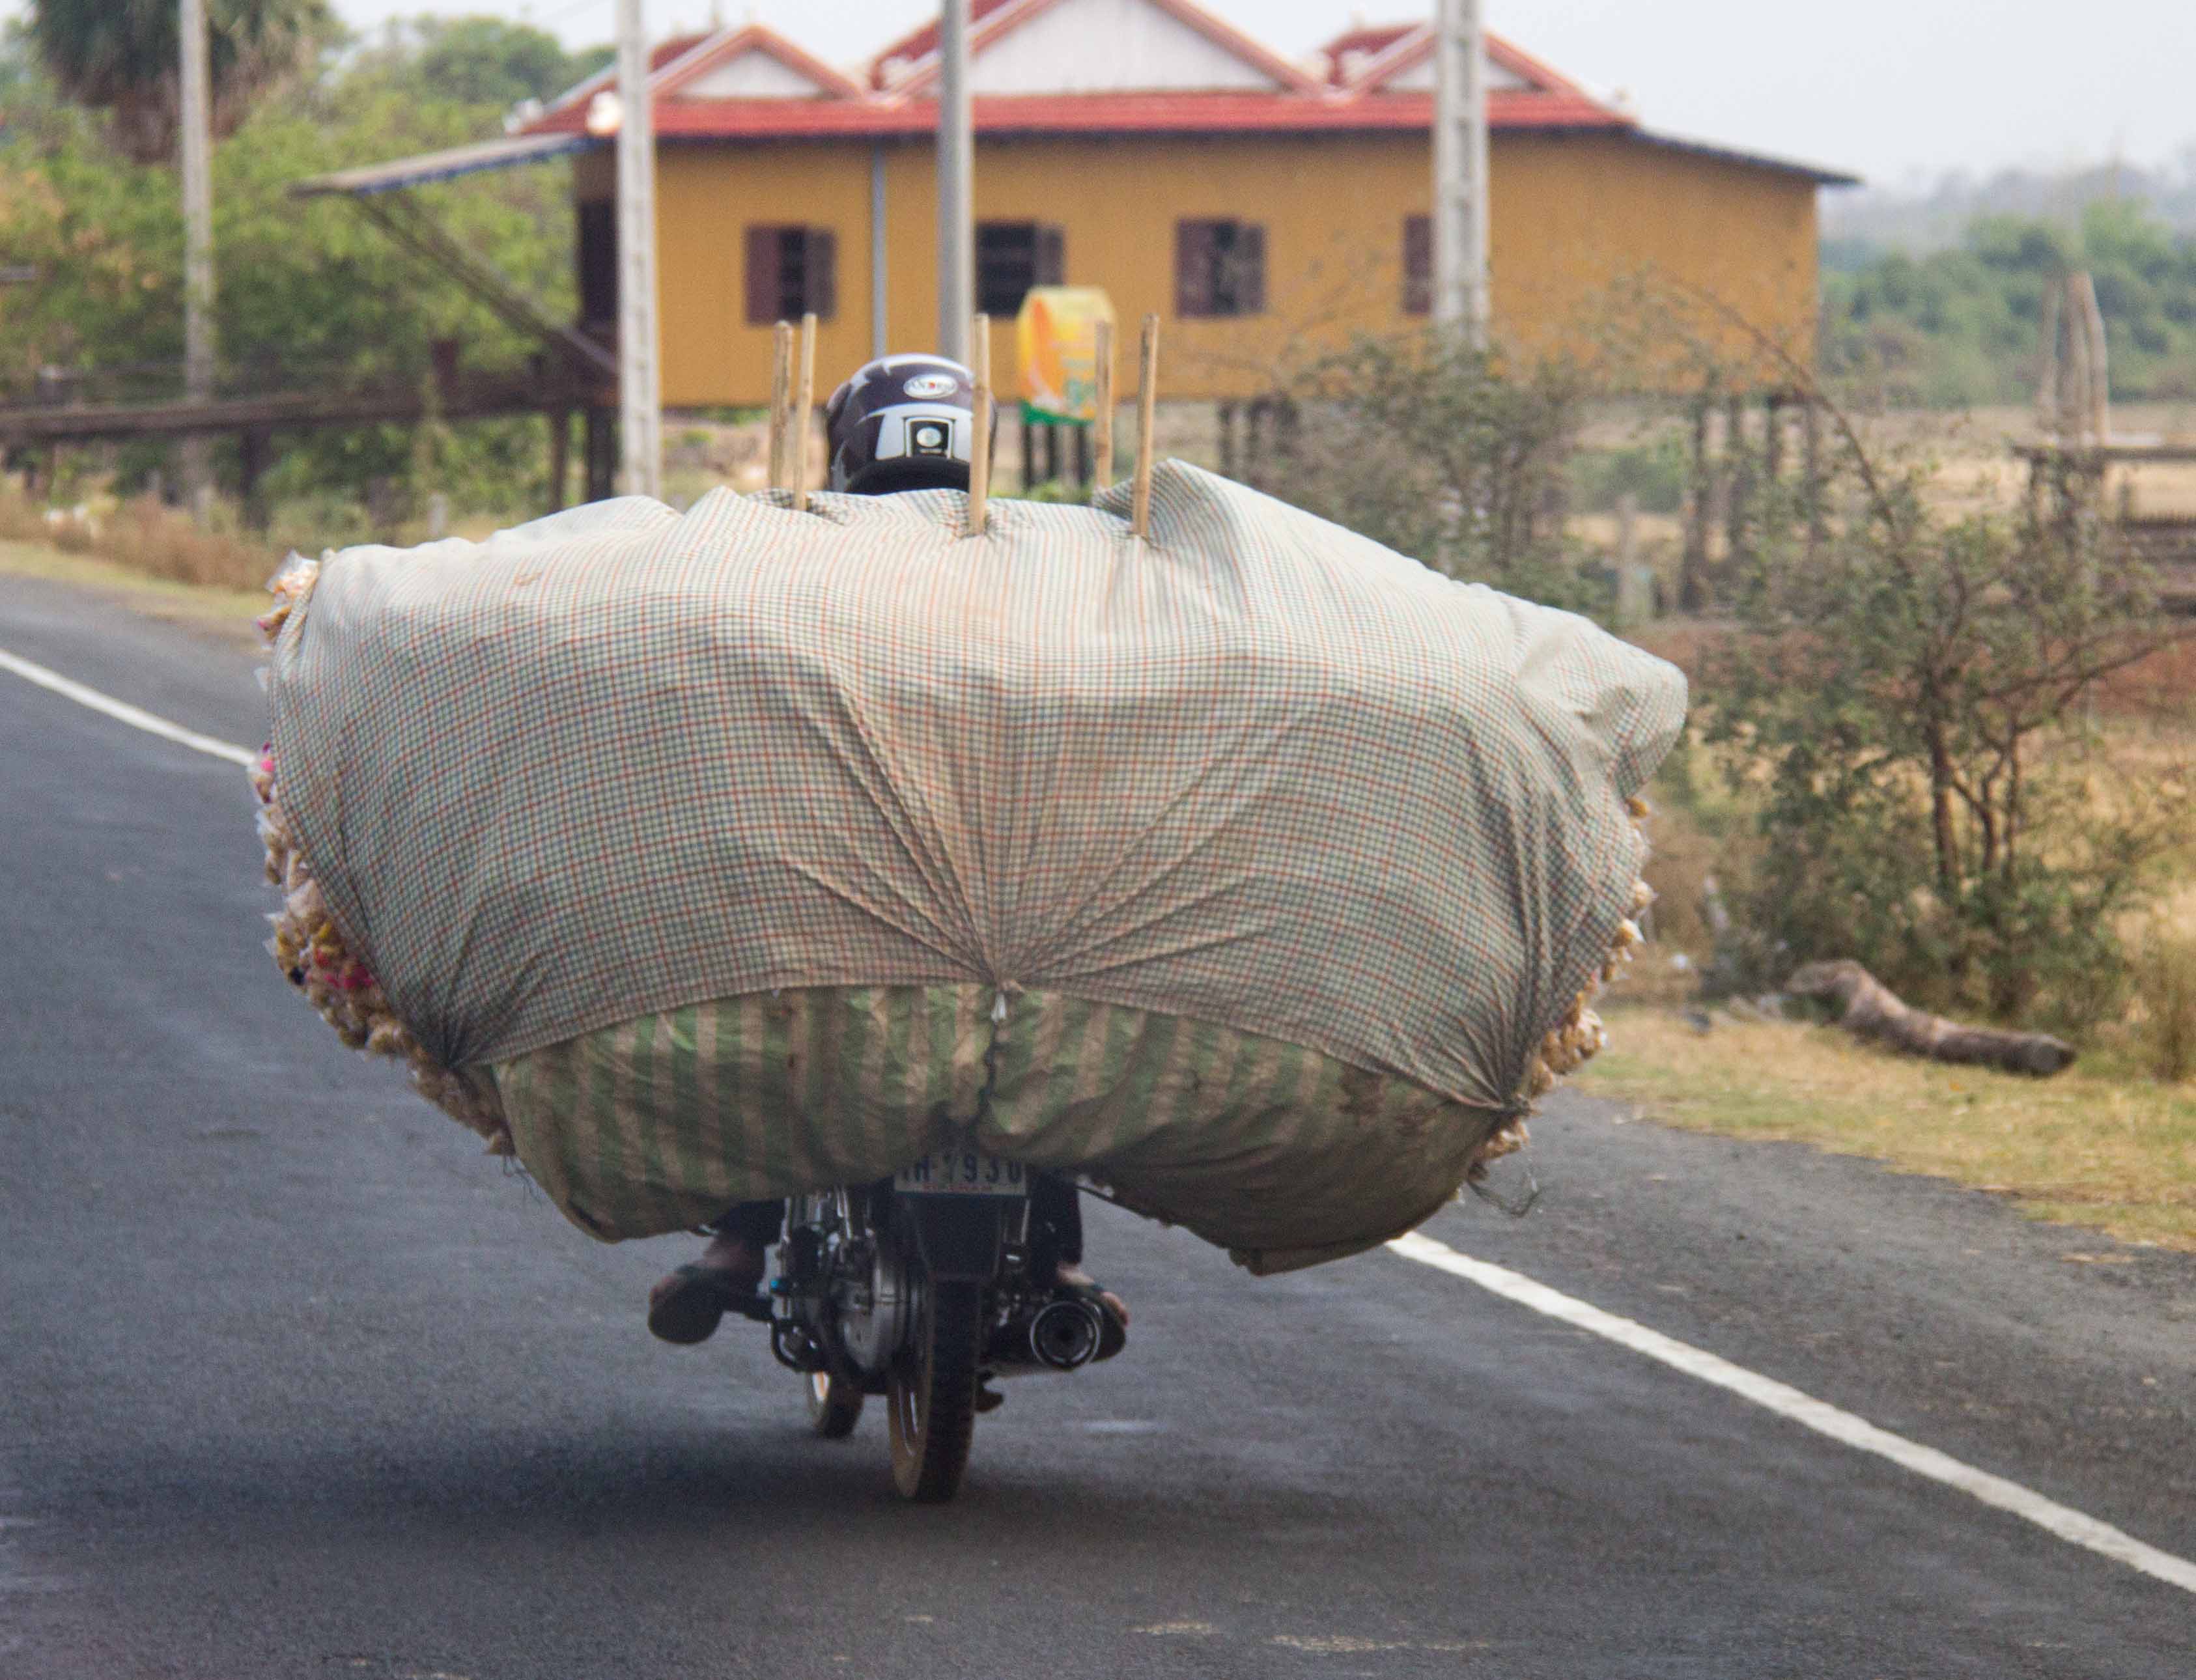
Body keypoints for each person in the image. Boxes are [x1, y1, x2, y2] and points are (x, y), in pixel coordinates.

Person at [648, 354, 1129, 1349]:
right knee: (1036, 1033)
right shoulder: (1038, 560)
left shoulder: (800, 557)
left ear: (847, 451)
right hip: (1002, 876)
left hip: (846, 874)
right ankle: (1061, 1263)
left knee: (778, 1027)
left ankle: (739, 1245)